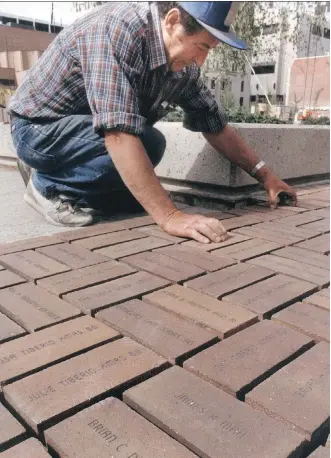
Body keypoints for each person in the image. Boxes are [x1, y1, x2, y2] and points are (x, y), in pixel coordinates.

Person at [9, 1, 297, 244]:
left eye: (210, 50)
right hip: (38, 128)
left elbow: (214, 123)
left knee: (152, 145)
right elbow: (118, 135)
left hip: (84, 134)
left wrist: (265, 176)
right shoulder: (118, 30)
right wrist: (171, 217)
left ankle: (68, 183)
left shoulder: (181, 68)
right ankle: (45, 184)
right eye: (201, 47)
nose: (201, 61)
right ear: (172, 21)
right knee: (141, 146)